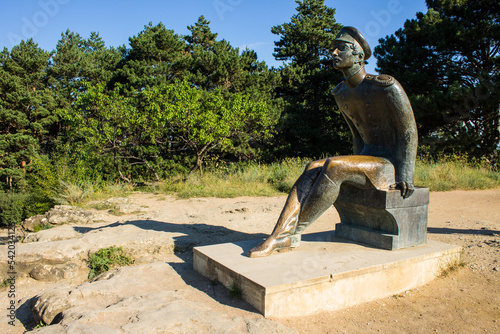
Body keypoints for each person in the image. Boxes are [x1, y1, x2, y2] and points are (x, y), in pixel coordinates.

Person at [248, 26, 418, 258]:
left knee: (335, 167)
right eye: (332, 48)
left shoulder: (386, 86)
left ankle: (284, 236)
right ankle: (280, 234)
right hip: (366, 161)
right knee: (314, 166)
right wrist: (352, 169)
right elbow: (357, 136)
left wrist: (405, 175)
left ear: (359, 55)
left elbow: (408, 133)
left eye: (341, 48)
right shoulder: (341, 93)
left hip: (388, 164)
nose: (334, 52)